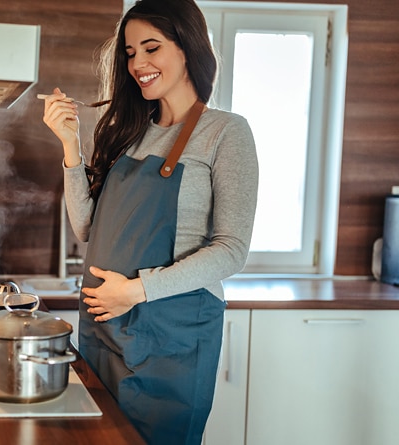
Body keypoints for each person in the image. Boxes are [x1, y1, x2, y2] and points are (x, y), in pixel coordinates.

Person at [42, 0, 258, 443]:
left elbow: (231, 250)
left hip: (171, 341)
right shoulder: (128, 131)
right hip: (107, 329)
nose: (138, 63)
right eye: (130, 52)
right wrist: (71, 146)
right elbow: (87, 228)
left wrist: (135, 292)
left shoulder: (226, 133)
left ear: (187, 48)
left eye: (151, 47)